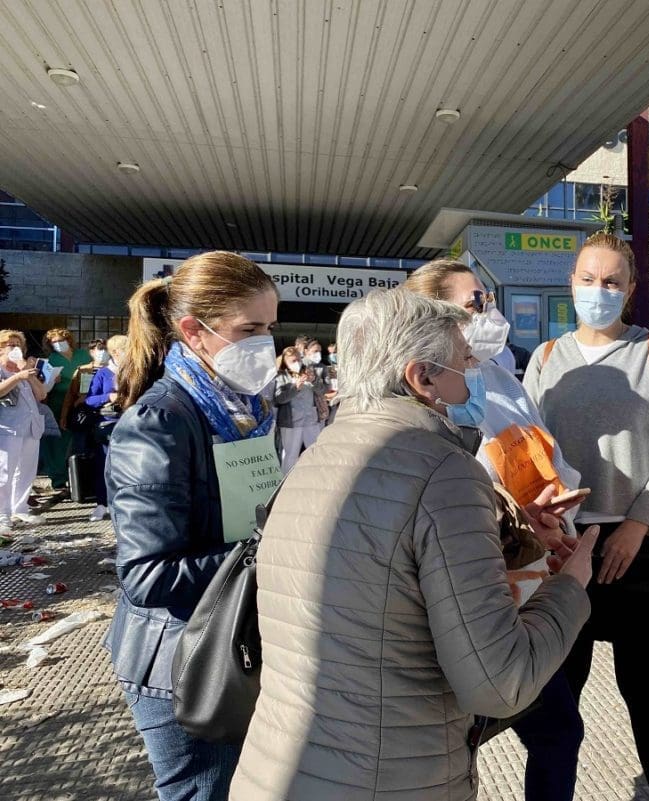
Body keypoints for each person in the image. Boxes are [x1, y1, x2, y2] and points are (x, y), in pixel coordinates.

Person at [230, 288, 598, 801]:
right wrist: (570, 588)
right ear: (421, 377)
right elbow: (500, 681)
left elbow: (386, 581)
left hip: (280, 772)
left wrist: (508, 538)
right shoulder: (444, 473)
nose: (473, 376)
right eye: (463, 362)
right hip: (389, 779)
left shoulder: (310, 463)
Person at [524, 232, 649, 801]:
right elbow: (524, 448)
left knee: (644, 688)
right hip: (563, 544)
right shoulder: (546, 360)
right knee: (558, 690)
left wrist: (638, 523)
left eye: (612, 282)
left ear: (629, 290)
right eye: (588, 279)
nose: (598, 291)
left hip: (637, 541)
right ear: (571, 283)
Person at [406, 259, 586, 801]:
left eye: (488, 298)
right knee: (472, 739)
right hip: (470, 586)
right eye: (474, 302)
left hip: (526, 570)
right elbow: (447, 496)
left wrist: (544, 509)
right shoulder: (419, 395)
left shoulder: (502, 373)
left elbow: (537, 451)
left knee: (556, 729)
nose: (490, 312)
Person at [105, 251, 280, 801]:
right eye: (249, 330)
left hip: (229, 639)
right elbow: (147, 574)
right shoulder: (160, 421)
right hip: (177, 662)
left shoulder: (243, 411)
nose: (264, 344)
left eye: (270, 329)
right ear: (193, 331)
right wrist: (267, 555)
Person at [0, 330, 48, 532]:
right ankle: (2, 514)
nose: (14, 347)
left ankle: (20, 507)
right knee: (4, 472)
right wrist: (18, 377)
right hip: (7, 428)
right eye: (9, 344)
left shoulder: (24, 370)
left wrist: (27, 374)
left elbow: (42, 395)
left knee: (26, 470)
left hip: (30, 426)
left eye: (17, 344)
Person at [39, 328, 91, 492]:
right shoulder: (52, 359)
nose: (57, 344)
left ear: (68, 340)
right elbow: (43, 384)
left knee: (77, 441)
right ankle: (58, 479)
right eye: (53, 342)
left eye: (60, 340)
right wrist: (52, 380)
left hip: (80, 402)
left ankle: (79, 478)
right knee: (56, 442)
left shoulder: (83, 355)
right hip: (57, 403)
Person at [84, 334, 128, 522]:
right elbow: (89, 400)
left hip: (130, 422)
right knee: (105, 464)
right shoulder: (103, 373)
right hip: (108, 423)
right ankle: (102, 503)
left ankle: (124, 504)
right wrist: (108, 397)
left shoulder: (135, 370)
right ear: (115, 353)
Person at [273, 345, 324, 474]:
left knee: (315, 452)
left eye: (298, 360)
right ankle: (285, 481)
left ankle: (317, 477)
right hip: (292, 423)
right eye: (293, 361)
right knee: (291, 454)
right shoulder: (281, 376)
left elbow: (322, 390)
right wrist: (295, 387)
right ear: (285, 362)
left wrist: (313, 381)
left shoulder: (308, 372)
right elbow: (279, 399)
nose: (297, 363)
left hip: (310, 420)